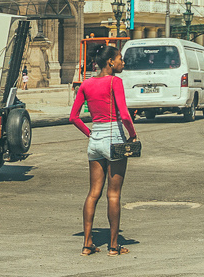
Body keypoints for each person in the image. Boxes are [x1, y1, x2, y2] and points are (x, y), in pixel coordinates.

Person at [71, 44, 137, 256]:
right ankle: (113, 246)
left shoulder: (86, 84)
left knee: (93, 193)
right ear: (110, 62)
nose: (122, 62)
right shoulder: (115, 82)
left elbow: (73, 117)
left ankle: (87, 244)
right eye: (120, 58)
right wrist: (133, 135)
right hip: (114, 137)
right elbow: (125, 115)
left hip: (95, 138)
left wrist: (90, 133)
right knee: (114, 194)